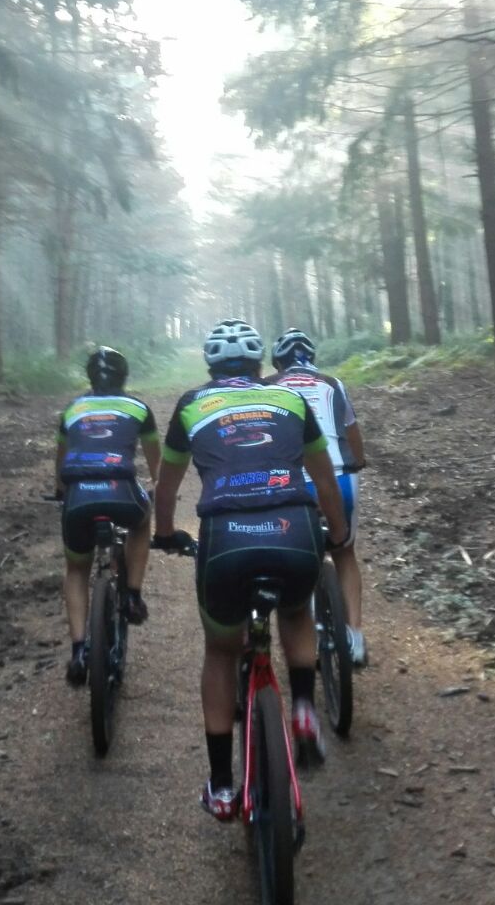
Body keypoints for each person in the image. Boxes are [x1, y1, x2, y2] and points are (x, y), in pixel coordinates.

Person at [152, 320, 350, 821]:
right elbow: (325, 483)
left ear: (210, 366)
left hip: (225, 542)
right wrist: (339, 535)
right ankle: (304, 710)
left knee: (221, 651)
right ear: (261, 366)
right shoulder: (289, 401)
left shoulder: (191, 405)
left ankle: (221, 786)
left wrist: (164, 532)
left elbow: (166, 488)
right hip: (295, 530)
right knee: (296, 614)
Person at [55, 346, 159, 686]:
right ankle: (132, 594)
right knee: (142, 521)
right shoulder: (138, 408)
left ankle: (79, 651)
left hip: (78, 498)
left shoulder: (72, 409)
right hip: (121, 491)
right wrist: (156, 486)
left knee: (76, 569)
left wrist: (60, 492)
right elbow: (156, 464)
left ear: (89, 378)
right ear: (124, 376)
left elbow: (60, 467)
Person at [268, 328, 370, 668]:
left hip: (291, 480)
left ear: (278, 362)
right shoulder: (333, 383)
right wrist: (359, 461)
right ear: (312, 359)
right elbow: (352, 433)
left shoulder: (268, 386)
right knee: (345, 553)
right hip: (340, 477)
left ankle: (305, 633)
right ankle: (354, 636)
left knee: (291, 556)